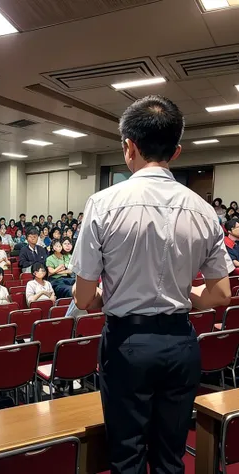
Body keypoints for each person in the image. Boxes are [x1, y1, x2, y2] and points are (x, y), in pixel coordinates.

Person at [71, 95, 231, 474]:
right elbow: (221, 293)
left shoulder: (103, 203)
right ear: (176, 151)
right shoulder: (203, 209)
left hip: (128, 345)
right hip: (181, 342)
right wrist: (187, 296)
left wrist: (101, 297)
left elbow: (82, 295)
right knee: (170, 456)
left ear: (128, 146)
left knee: (127, 456)